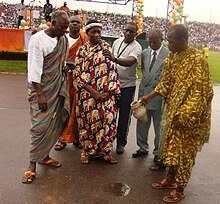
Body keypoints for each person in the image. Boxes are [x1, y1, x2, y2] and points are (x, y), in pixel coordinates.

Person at [140, 24, 213, 203]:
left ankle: (180, 189)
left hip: (189, 116)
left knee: (185, 153)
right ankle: (170, 180)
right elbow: (166, 82)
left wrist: (186, 114)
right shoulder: (172, 57)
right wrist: (149, 96)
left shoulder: (197, 60)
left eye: (171, 42)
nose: (168, 45)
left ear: (182, 41)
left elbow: (201, 92)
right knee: (171, 148)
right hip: (173, 111)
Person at [21, 10, 70, 184]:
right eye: (63, 28)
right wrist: (40, 95)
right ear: (53, 22)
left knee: (54, 123)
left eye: (67, 28)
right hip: (41, 91)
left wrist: (65, 68)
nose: (65, 32)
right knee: (39, 127)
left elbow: (61, 62)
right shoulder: (38, 40)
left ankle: (45, 156)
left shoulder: (62, 39)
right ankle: (31, 165)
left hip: (56, 89)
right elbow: (34, 69)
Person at [74, 19, 121, 164]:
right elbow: (78, 73)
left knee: (108, 120)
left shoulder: (107, 48)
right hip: (88, 94)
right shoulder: (82, 50)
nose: (96, 35)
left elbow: (113, 70)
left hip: (106, 94)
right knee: (88, 123)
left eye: (98, 32)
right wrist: (93, 92)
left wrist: (108, 92)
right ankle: (87, 151)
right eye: (93, 32)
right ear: (87, 33)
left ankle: (106, 152)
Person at [103, 21, 142, 154]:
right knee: (110, 114)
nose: (128, 33)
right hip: (114, 84)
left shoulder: (137, 47)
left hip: (127, 86)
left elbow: (130, 61)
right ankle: (108, 140)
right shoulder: (117, 42)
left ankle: (121, 143)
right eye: (126, 30)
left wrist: (114, 59)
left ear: (136, 34)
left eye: (131, 31)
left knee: (124, 116)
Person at [132, 29, 169, 166]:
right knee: (142, 122)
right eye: (150, 41)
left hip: (158, 95)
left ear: (162, 39)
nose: (152, 44)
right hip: (144, 93)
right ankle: (142, 148)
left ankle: (158, 153)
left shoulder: (169, 54)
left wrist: (156, 92)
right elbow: (144, 72)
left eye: (155, 41)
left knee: (159, 126)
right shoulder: (145, 53)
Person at [54, 15, 88, 151]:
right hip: (63, 80)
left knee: (78, 110)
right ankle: (61, 139)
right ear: (68, 25)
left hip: (79, 81)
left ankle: (76, 138)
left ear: (81, 25)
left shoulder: (84, 41)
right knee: (63, 109)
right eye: (72, 22)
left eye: (77, 22)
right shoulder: (62, 39)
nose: (74, 24)